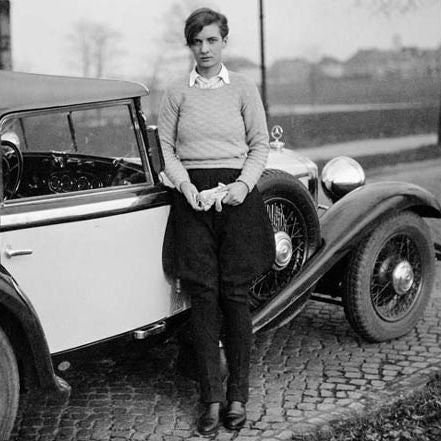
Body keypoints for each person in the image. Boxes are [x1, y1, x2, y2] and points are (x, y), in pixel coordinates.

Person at [158, 7, 275, 435]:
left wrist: (242, 186)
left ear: (224, 41)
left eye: (212, 40)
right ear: (188, 45)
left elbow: (259, 145)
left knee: (235, 296)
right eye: (196, 41)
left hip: (237, 199)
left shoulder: (243, 88)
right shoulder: (175, 93)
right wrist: (185, 187)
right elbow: (166, 149)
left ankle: (238, 396)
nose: (204, 49)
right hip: (192, 202)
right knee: (203, 298)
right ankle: (210, 399)